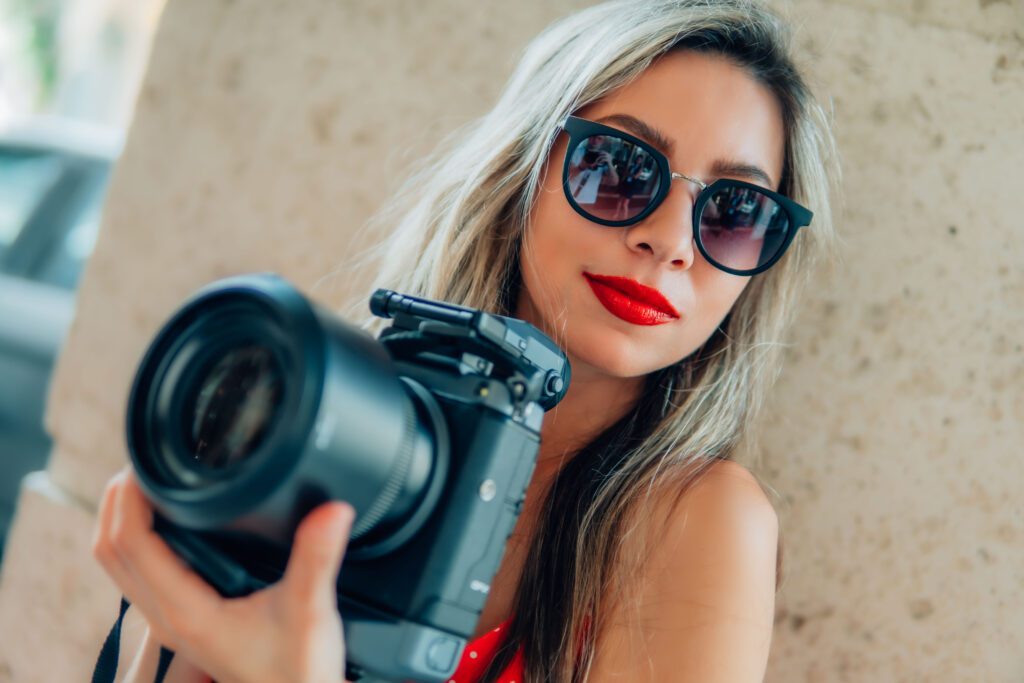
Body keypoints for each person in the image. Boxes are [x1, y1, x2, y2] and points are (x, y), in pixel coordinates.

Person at [91, 0, 841, 681]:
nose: (669, 240)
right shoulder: (348, 421)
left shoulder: (700, 522)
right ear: (523, 170)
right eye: (617, 166)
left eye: (735, 211)